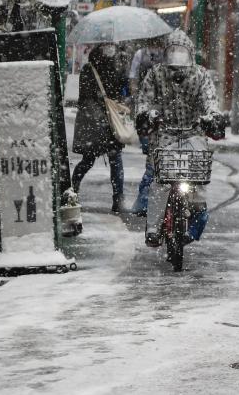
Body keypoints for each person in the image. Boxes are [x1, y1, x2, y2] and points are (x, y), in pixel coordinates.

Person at [136, 30, 226, 247]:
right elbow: (144, 100)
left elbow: (210, 100)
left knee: (198, 183)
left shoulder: (201, 75)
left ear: (190, 54)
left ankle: (193, 227)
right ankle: (153, 229)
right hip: (164, 134)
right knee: (160, 182)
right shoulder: (155, 74)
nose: (176, 59)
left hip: (193, 133)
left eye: (181, 53)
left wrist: (211, 116)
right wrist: (148, 114)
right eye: (172, 52)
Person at [71, 43, 126, 213]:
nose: (111, 49)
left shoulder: (100, 67)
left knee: (98, 160)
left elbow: (86, 95)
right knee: (109, 160)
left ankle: (73, 189)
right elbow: (89, 96)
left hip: (99, 123)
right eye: (108, 47)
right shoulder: (99, 68)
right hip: (102, 122)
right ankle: (116, 198)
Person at [128, 42, 164, 216]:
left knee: (154, 162)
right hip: (147, 113)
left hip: (163, 115)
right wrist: (138, 100)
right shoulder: (140, 55)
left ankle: (146, 201)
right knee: (151, 160)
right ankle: (143, 201)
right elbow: (133, 77)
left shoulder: (168, 60)